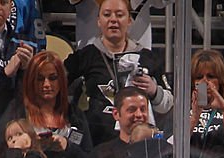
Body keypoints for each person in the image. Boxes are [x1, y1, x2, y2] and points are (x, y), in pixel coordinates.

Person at [64, 0, 172, 146]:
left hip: (140, 146)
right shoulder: (85, 56)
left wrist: (154, 91)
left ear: (129, 21)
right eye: (107, 15)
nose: (113, 20)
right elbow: (56, 86)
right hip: (97, 145)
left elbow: (168, 107)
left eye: (120, 15)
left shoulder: (148, 57)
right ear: (98, 21)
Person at [11, 50, 93, 158]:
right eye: (40, 79)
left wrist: (67, 147)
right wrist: (34, 148)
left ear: (61, 80)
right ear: (30, 82)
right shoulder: (18, 113)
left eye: (53, 78)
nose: (46, 84)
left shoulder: (75, 115)